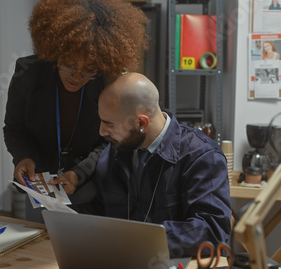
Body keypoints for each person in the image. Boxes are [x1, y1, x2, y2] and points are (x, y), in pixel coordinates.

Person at [3, 0, 148, 222]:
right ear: (55, 52)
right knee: (40, 250)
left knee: (87, 252)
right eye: (69, 65)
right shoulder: (27, 74)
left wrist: (79, 174)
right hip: (42, 188)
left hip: (91, 188)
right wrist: (23, 157)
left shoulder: (107, 84)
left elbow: (110, 141)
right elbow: (14, 129)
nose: (76, 77)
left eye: (88, 70)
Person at [94, 73, 232, 258]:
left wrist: (141, 239)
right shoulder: (115, 153)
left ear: (141, 122)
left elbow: (212, 230)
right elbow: (98, 214)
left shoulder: (201, 156)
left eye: (109, 124)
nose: (102, 131)